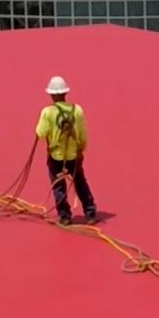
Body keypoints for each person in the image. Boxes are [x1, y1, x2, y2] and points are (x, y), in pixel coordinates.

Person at [34, 75, 96, 226]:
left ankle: (65, 216)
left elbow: (40, 133)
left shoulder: (47, 112)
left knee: (58, 185)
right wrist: (81, 151)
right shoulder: (77, 110)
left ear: (52, 94)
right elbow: (82, 134)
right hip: (74, 156)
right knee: (80, 182)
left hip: (56, 157)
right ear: (65, 93)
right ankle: (90, 213)